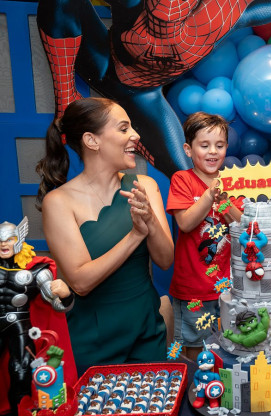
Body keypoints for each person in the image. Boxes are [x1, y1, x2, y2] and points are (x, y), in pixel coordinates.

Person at [36, 0, 271, 178]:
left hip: (145, 95)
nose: (165, 19)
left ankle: (133, 137)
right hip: (104, 63)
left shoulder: (224, 14)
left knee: (187, 177)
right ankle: (66, 99)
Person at [36, 97, 174, 367]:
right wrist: (135, 235)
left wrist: (150, 221)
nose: (135, 135)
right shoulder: (58, 202)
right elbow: (80, 283)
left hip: (146, 331)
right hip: (93, 338)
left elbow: (166, 260)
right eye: (123, 128)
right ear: (92, 140)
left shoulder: (144, 186)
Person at [166, 112, 241, 359]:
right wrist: (209, 196)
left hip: (228, 288)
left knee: (230, 344)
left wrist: (225, 201)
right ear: (188, 149)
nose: (213, 152)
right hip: (193, 288)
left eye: (219, 145)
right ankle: (196, 380)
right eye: (204, 145)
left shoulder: (233, 182)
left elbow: (243, 226)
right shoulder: (182, 180)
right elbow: (185, 223)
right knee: (195, 346)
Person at [0, 217, 74, 414]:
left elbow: (57, 305)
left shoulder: (36, 270)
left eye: (9, 239)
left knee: (21, 370)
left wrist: (66, 295)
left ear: (19, 238)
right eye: (0, 240)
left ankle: (20, 411)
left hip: (18, 324)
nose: (4, 244)